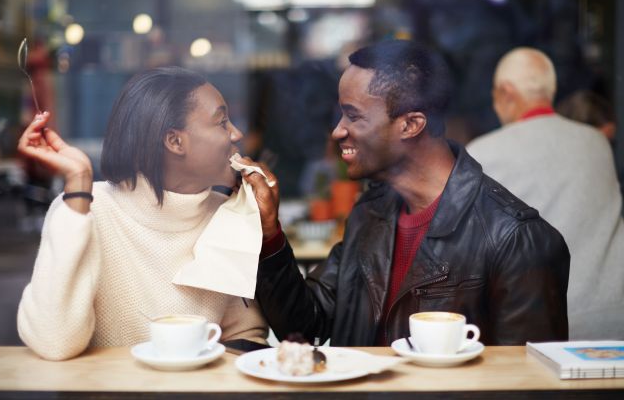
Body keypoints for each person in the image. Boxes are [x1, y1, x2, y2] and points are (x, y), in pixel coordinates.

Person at [243, 40, 569, 347]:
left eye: (353, 115)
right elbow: (306, 323)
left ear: (410, 125)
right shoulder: (371, 212)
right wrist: (270, 234)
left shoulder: (516, 239)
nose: (338, 130)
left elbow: (527, 385)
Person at [16, 67, 267, 360]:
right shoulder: (83, 207)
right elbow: (54, 343)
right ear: (175, 142)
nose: (236, 133)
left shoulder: (226, 215)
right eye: (222, 122)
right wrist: (79, 183)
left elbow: (247, 337)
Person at [466, 47, 624, 340]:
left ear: (507, 93)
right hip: (616, 318)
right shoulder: (596, 143)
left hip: (545, 330)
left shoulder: (484, 153)